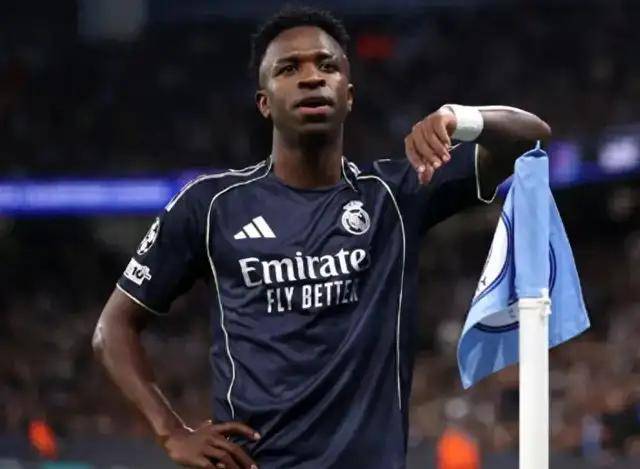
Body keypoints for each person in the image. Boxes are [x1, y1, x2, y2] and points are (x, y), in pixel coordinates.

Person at [92, 6, 550, 469]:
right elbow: (112, 329)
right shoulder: (210, 205)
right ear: (264, 102)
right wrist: (171, 432)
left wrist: (459, 117)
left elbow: (531, 139)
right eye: (288, 69)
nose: (311, 77)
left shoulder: (396, 195)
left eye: (326, 66)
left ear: (348, 96)